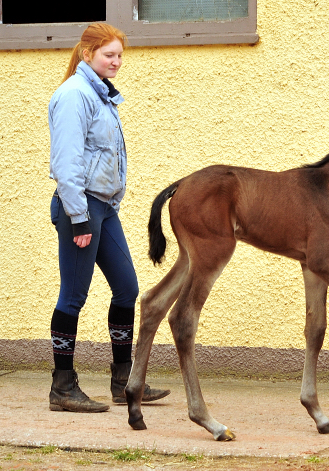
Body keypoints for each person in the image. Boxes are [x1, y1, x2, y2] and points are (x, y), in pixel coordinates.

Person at [48, 23, 169, 412]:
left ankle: (124, 381)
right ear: (88, 54)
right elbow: (66, 165)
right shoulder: (74, 95)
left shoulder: (100, 95)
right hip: (80, 209)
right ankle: (62, 388)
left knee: (127, 288)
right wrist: (80, 219)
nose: (116, 62)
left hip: (103, 208)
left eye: (119, 55)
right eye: (109, 55)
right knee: (73, 296)